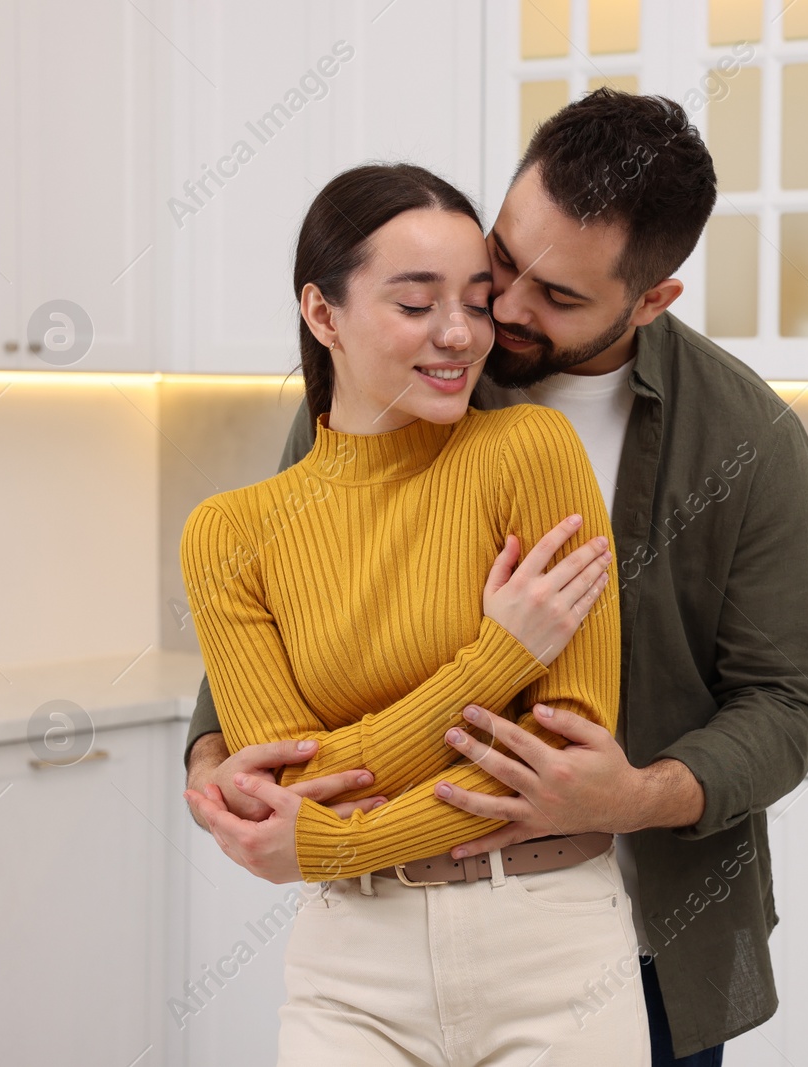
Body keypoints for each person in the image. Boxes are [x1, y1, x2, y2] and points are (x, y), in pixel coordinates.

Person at [186, 89, 808, 1065]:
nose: (501, 310)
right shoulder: (404, 374)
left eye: (560, 295)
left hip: (644, 933)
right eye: (503, 258)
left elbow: (788, 700)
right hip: (377, 930)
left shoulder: (746, 439)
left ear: (651, 299)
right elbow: (285, 601)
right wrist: (214, 764)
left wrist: (635, 793)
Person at [180, 162, 649, 1064]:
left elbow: (561, 759)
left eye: (477, 301)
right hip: (351, 972)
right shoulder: (231, 534)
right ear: (324, 315)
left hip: (550, 952)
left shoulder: (531, 450)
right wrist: (499, 657)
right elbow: (293, 786)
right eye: (415, 304)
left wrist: (320, 842)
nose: (461, 334)